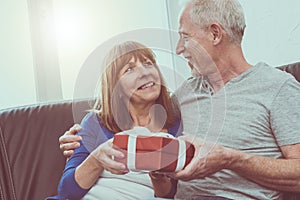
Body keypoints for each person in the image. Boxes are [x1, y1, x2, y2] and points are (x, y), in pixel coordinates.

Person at [59, 0, 300, 199]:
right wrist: (79, 138)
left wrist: (233, 159)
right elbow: (141, 113)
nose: (177, 49)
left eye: (185, 37)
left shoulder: (277, 87)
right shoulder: (185, 94)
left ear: (215, 34)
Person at [49, 41, 182, 200]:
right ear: (116, 88)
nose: (144, 72)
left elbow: (171, 193)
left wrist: (158, 178)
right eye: (130, 69)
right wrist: (97, 159)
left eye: (148, 63)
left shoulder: (177, 125)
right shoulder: (96, 122)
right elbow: (67, 191)